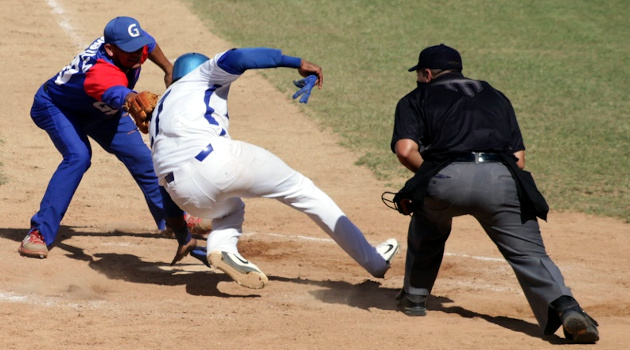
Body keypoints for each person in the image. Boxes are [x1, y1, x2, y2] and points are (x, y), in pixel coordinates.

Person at [389, 44, 599, 343]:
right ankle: (566, 307)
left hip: (446, 179)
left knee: (429, 221)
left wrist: (428, 179)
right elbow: (519, 158)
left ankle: (415, 299)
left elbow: (406, 150)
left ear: (426, 73)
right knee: (530, 254)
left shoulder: (415, 98)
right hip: (502, 178)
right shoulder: (495, 95)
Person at [148, 48, 400, 289]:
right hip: (217, 161)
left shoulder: (159, 113)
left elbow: (165, 198)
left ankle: (222, 247)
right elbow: (239, 56)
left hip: (184, 194)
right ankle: (374, 261)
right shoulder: (203, 75)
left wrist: (183, 236)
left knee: (231, 210)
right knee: (303, 191)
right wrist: (298, 63)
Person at [19, 16, 207, 259]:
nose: (137, 53)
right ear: (110, 49)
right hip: (58, 108)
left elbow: (148, 43)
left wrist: (168, 68)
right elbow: (119, 94)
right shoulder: (100, 72)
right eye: (130, 51)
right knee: (78, 156)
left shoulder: (134, 44)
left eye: (138, 47)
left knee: (144, 159)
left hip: (100, 112)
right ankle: (39, 233)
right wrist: (132, 100)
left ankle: (173, 219)